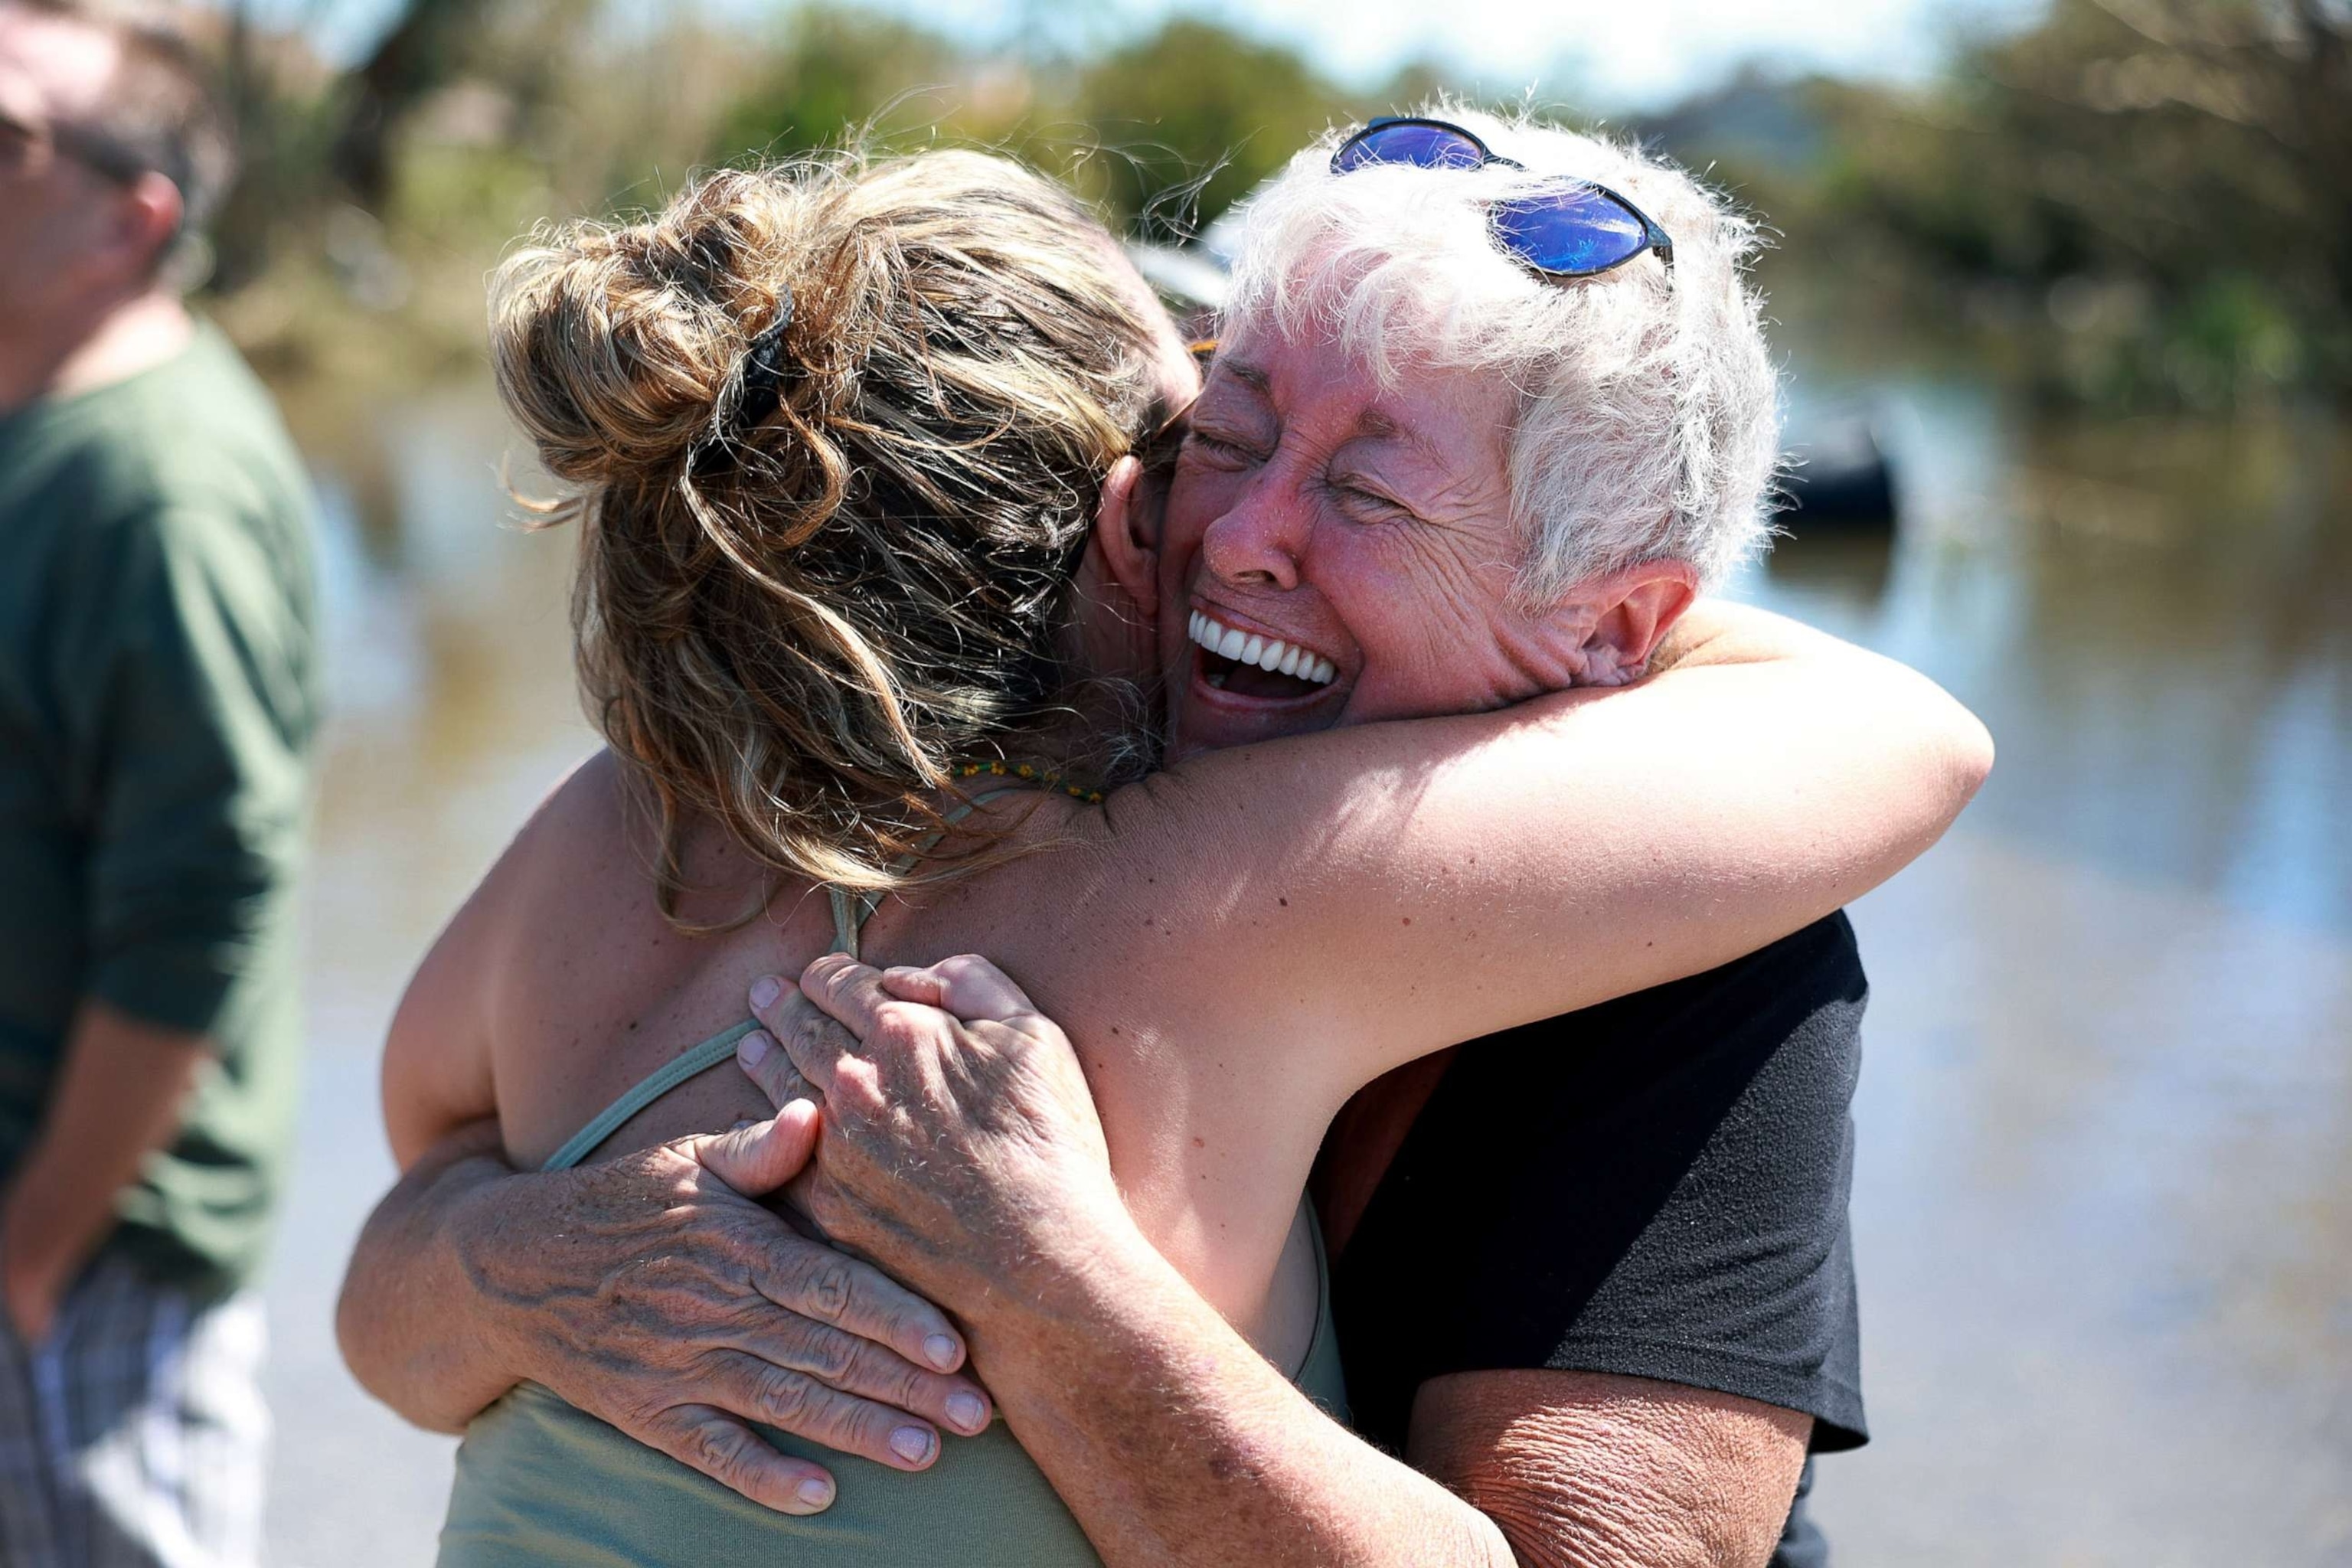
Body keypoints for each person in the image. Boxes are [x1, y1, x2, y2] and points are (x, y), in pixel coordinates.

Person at [343, 119, 1987, 1566]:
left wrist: (1050, 1293)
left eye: (1370, 492)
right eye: (1226, 424)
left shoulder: (649, 816)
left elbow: (402, 1193)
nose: (1246, 535)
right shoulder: (1207, 884)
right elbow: (1917, 734)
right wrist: (508, 1267)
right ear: (1129, 513)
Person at [0, 4, 319, 1566]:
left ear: (133, 219)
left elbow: (196, 917)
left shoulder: (160, 493)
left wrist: (37, 1247)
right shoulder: (33, 422)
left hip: (90, 1266)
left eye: (4, 141)